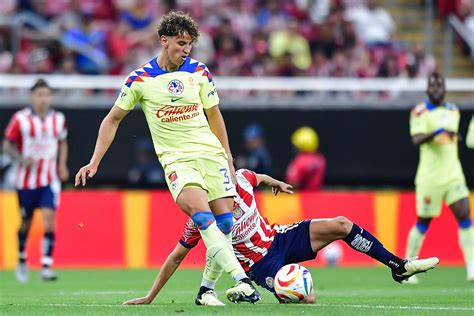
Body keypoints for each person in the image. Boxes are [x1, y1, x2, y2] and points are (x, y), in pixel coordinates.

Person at [74, 11, 260, 303]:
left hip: (210, 155)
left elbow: (215, 115)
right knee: (202, 217)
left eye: (190, 45)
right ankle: (243, 281)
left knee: (225, 225)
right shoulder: (140, 79)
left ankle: (206, 291)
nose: (186, 50)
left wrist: (228, 156)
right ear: (164, 40)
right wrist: (95, 161)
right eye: (181, 43)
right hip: (177, 161)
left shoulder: (199, 72)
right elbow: (112, 119)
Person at [123, 169, 439, 306]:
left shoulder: (241, 179)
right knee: (306, 297)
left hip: (279, 238)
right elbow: (176, 256)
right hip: (262, 267)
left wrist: (276, 182)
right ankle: (241, 289)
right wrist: (150, 296)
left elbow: (256, 177)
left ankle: (398, 264)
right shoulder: (200, 217)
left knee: (342, 224)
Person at [406, 72, 473, 283]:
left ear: (444, 89)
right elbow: (416, 139)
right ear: (427, 89)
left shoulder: (454, 110)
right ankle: (406, 265)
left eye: (439, 85)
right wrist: (437, 132)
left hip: (453, 174)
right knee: (423, 222)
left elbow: (451, 136)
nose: (436, 89)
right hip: (429, 178)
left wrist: (453, 136)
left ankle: (471, 266)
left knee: (465, 216)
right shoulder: (419, 112)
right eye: (432, 85)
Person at [3, 79, 69, 282]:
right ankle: (22, 259)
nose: (43, 99)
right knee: (26, 223)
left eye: (46, 95)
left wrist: (62, 165)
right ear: (33, 96)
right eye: (39, 95)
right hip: (26, 181)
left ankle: (46, 267)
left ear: (51, 97)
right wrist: (22, 159)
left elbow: (63, 141)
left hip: (49, 180)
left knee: (49, 222)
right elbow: (7, 145)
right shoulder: (20, 119)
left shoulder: (58, 119)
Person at [286, 126, 326, 191]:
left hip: (302, 198)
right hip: (317, 196)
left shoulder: (300, 160)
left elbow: (292, 183)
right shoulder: (320, 158)